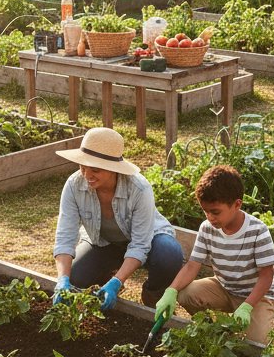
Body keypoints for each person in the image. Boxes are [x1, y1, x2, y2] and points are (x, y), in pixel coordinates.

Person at [51, 127, 184, 311]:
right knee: (76, 277)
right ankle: (105, 280)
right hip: (103, 243)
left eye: (95, 170)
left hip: (149, 241)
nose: (87, 175)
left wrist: (118, 282)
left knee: (169, 254)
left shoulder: (139, 189)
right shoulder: (74, 186)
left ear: (113, 169)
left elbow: (140, 245)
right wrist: (62, 279)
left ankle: (153, 294)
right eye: (82, 167)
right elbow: (65, 237)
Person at [154, 165, 274, 344]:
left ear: (237, 204)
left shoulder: (258, 230)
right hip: (224, 287)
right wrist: (171, 290)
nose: (210, 217)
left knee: (257, 344)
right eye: (206, 211)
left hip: (257, 296)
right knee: (186, 294)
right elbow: (192, 265)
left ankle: (255, 323)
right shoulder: (207, 228)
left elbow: (266, 277)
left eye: (215, 212)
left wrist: (247, 306)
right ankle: (211, 330)